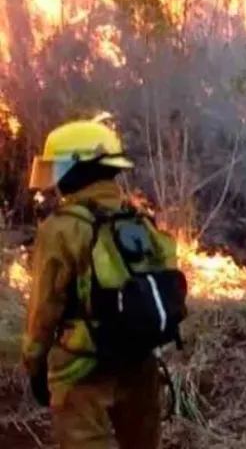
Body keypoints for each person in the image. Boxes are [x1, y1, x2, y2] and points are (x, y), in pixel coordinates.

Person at [22, 118, 182, 449]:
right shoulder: (140, 220)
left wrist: (35, 365)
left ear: (76, 169)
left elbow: (44, 308)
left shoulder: (61, 228)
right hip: (141, 364)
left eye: (59, 168)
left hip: (81, 370)